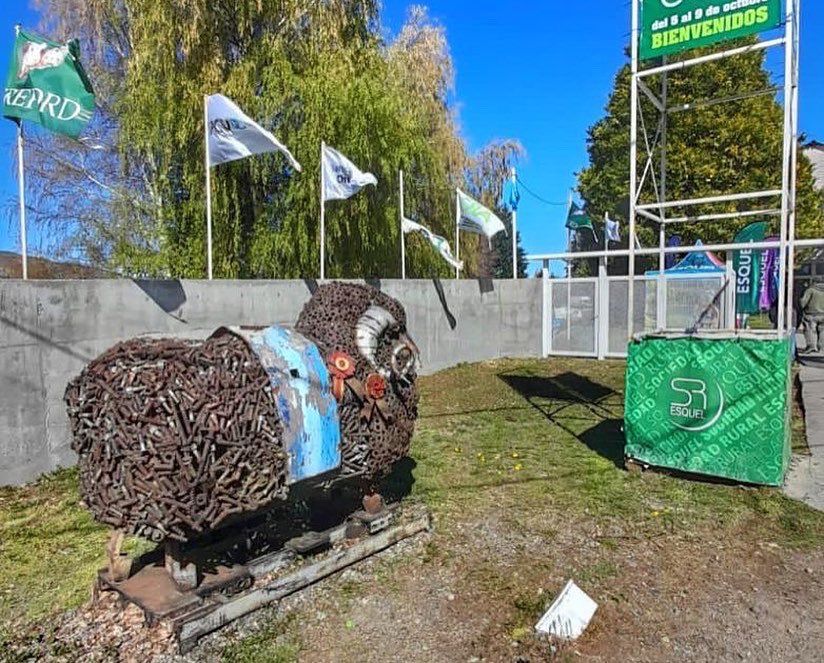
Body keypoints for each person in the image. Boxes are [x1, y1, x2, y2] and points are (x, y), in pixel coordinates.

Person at [799, 280, 824, 353]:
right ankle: (822, 347)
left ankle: (812, 346)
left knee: (810, 330)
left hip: (811, 314)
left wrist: (800, 302)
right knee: (822, 330)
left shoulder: (810, 290)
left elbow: (803, 303)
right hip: (823, 314)